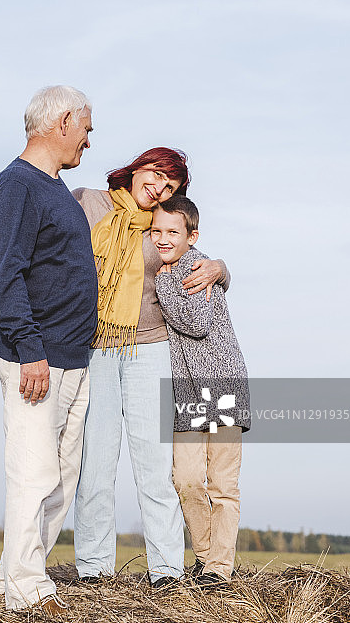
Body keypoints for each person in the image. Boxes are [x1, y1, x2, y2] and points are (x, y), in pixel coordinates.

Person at [73, 148, 231, 587]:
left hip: (150, 347)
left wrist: (221, 269)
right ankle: (93, 567)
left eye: (170, 185)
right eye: (157, 174)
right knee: (95, 464)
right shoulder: (87, 202)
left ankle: (166, 569)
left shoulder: (161, 222)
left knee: (155, 466)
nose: (159, 187)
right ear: (137, 167)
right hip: (95, 346)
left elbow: (198, 259)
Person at [0, 85, 98, 614]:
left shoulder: (56, 189)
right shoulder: (16, 185)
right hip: (37, 358)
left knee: (61, 480)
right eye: (86, 130)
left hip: (72, 357)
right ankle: (29, 591)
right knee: (34, 475)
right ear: (63, 122)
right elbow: (6, 273)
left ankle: (13, 577)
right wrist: (30, 348)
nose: (88, 141)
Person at [152, 195, 251, 587]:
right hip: (188, 393)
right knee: (186, 479)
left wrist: (163, 285)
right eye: (157, 231)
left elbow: (196, 322)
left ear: (191, 236)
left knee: (222, 483)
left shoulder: (197, 266)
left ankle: (219, 567)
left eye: (172, 232)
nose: (163, 238)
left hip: (223, 385)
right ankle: (207, 556)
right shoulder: (171, 268)